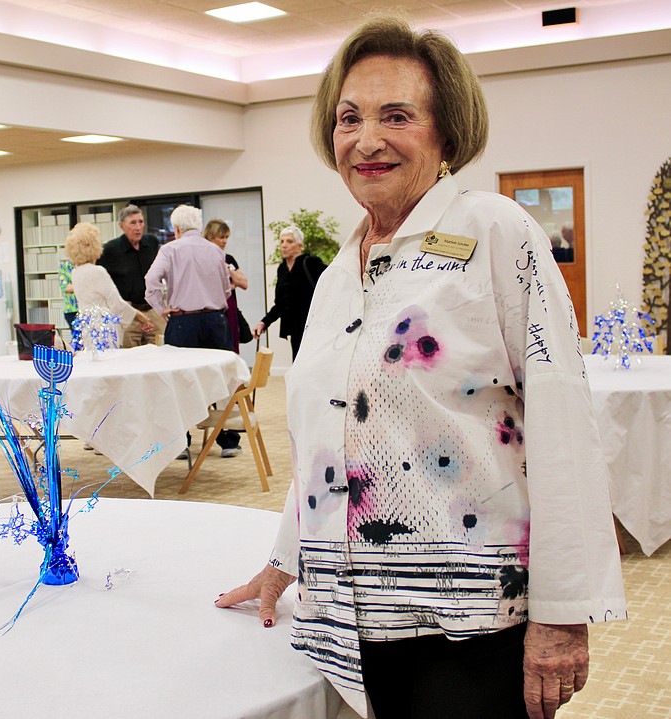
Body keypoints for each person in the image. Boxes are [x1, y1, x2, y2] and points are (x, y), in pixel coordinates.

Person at [216, 14, 626, 719]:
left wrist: (563, 612)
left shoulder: (497, 232)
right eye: (349, 118)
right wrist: (286, 560)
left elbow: (564, 424)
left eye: (396, 116)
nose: (366, 139)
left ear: (445, 134)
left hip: (466, 626)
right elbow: (323, 440)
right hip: (344, 619)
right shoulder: (341, 270)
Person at [145, 205, 242, 458]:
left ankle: (181, 443)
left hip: (182, 321)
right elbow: (226, 287)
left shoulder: (169, 249)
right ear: (198, 226)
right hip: (214, 320)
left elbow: (151, 281)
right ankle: (229, 440)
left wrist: (161, 308)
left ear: (176, 228)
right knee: (220, 378)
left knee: (177, 382)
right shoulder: (215, 250)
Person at [64, 222, 154, 345]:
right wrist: (138, 316)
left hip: (87, 327)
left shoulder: (76, 272)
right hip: (104, 328)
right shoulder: (97, 271)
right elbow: (115, 303)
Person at [252, 225, 326, 360]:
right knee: (297, 366)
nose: (284, 245)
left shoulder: (310, 263)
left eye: (289, 241)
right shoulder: (282, 269)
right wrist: (264, 323)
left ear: (300, 246)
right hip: (295, 330)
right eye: (282, 241)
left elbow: (331, 285)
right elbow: (280, 304)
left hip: (313, 328)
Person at [99, 205, 166, 347]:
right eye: (133, 223)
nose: (138, 227)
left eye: (141, 222)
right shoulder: (111, 249)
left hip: (152, 310)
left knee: (160, 353)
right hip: (129, 313)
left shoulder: (152, 243)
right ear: (121, 226)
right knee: (130, 357)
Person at [204, 219, 249, 354]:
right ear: (210, 237)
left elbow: (244, 283)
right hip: (212, 310)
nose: (224, 241)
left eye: (226, 238)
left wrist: (228, 270)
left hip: (230, 309)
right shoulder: (203, 258)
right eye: (221, 237)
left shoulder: (228, 259)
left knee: (232, 345)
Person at [57, 258, 78, 330]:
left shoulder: (88, 266)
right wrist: (83, 285)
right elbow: (65, 287)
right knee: (77, 337)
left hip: (88, 309)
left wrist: (73, 286)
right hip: (71, 310)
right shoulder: (64, 266)